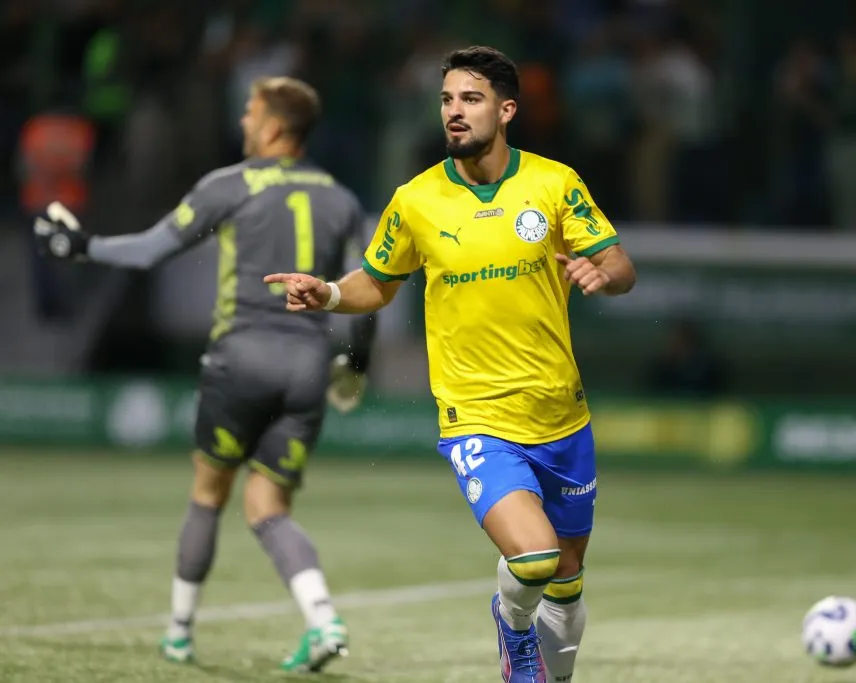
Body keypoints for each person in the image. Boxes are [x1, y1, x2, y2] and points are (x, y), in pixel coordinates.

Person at [266, 46, 636, 683]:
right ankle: (511, 628)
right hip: (478, 417)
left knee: (568, 576)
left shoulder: (554, 184)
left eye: (470, 99)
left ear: (506, 108)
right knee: (535, 559)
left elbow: (623, 267)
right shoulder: (417, 199)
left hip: (560, 415)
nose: (454, 112)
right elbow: (378, 282)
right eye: (446, 100)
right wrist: (327, 292)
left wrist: (600, 272)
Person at [33, 76, 375, 674]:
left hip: (240, 358)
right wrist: (353, 365)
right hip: (305, 366)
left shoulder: (230, 184)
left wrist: (80, 245)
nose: (243, 121)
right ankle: (324, 619)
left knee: (208, 495)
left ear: (272, 126)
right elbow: (365, 289)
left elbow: (147, 250)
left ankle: (179, 635)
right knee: (269, 507)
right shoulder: (341, 198)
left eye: (250, 111)